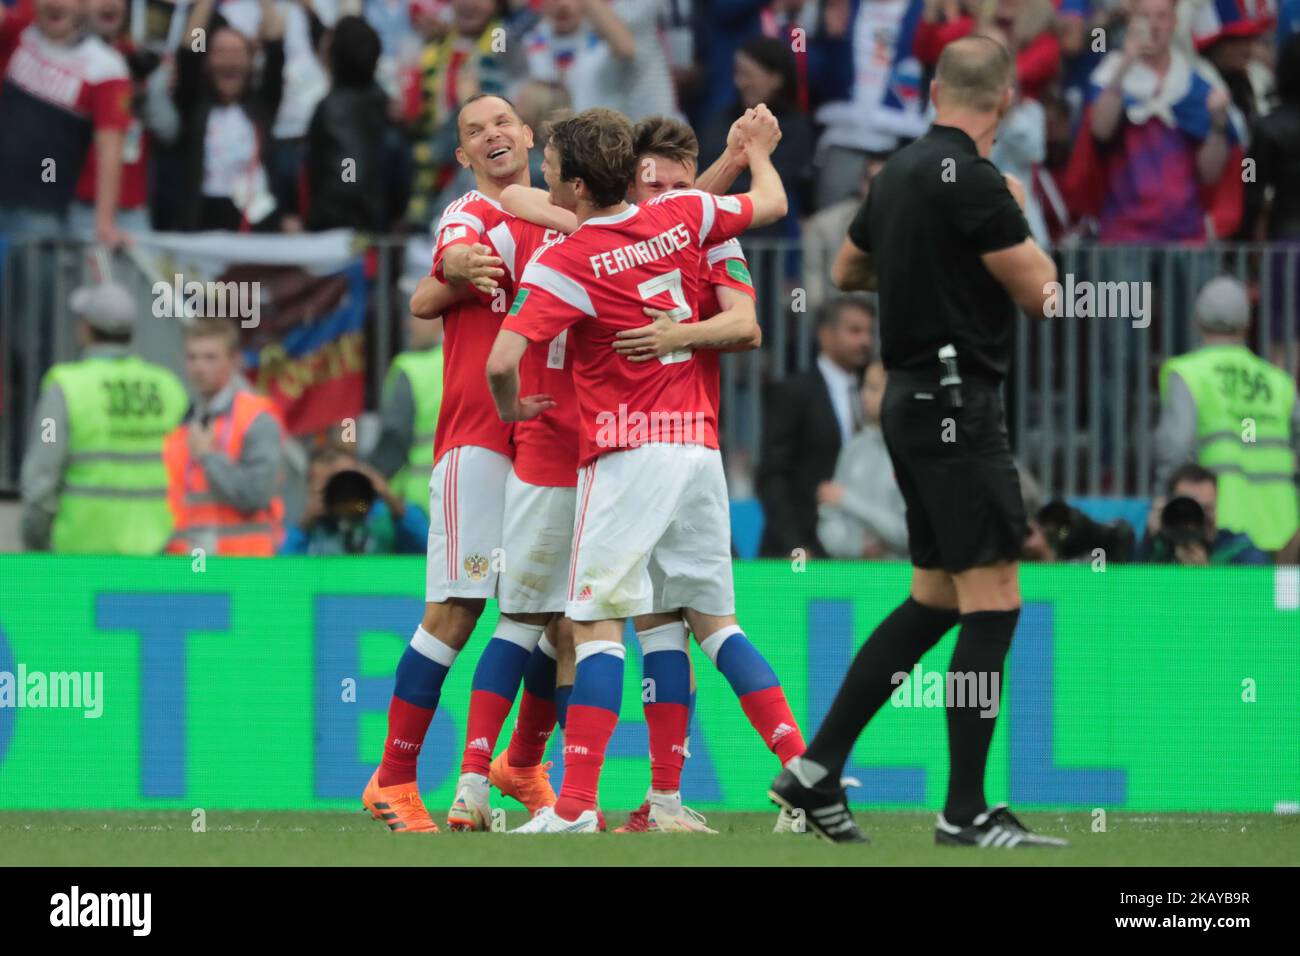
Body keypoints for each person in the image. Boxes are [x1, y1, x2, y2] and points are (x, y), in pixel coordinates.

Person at [770, 36, 1067, 848]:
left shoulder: (896, 173)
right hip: (957, 404)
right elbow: (1047, 296)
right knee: (995, 597)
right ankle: (964, 811)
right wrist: (1009, 211)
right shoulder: (978, 183)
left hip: (905, 401)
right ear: (1004, 98)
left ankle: (815, 768)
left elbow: (849, 270)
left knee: (937, 596)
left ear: (935, 89)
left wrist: (926, 266)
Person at [483, 105, 789, 833]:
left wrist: (514, 408)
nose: (545, 176)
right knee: (714, 624)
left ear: (578, 186)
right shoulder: (686, 212)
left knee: (591, 623)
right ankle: (802, 776)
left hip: (625, 454)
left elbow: (501, 360)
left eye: (553, 166)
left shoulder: (569, 258)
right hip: (698, 449)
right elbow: (772, 204)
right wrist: (759, 153)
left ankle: (576, 805)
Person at [360, 92, 536, 835]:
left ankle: (507, 772)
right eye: (475, 131)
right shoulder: (470, 213)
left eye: (503, 122)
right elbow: (442, 275)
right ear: (463, 157)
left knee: (553, 618)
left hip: (548, 439)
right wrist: (457, 266)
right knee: (459, 609)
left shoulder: (564, 220)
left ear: (530, 136)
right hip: (480, 437)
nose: (493, 135)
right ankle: (394, 779)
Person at [20, 283, 187, 554]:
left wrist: (36, 540)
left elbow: (42, 472)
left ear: (85, 329)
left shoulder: (67, 388)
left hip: (83, 550)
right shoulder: (167, 387)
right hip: (158, 549)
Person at [1154, 275, 1300, 556]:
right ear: (1246, 325)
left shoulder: (1188, 373)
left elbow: (1174, 448)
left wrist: (1166, 502)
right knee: (1277, 601)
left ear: (1196, 322)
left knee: (1224, 601)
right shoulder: (1278, 381)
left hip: (1223, 533)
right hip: (1284, 532)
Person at [0, 0, 130, 246]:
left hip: (40, 215)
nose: (55, 3)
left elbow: (110, 149)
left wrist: (105, 223)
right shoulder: (20, 32)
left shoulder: (106, 66)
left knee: (31, 284)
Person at [755, 295, 875, 559]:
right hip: (804, 549)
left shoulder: (876, 390)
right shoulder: (793, 393)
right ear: (825, 334)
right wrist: (794, 544)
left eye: (869, 332)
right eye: (854, 331)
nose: (865, 341)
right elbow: (772, 475)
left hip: (864, 551)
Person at [164, 318, 286, 556]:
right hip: (191, 565)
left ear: (234, 361)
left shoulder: (256, 419)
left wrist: (209, 457)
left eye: (210, 357)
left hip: (243, 565)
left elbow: (255, 495)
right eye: (192, 357)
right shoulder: (182, 423)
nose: (199, 367)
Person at [171, 0, 286, 232]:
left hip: (255, 223)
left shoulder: (262, 105)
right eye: (220, 53)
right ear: (208, 62)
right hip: (202, 218)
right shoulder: (195, 104)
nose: (229, 61)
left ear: (251, 61)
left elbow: (275, 47)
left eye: (237, 53)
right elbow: (190, 52)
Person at [304, 15, 408, 232]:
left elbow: (350, 173)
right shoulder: (386, 104)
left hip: (345, 233)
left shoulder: (334, 111)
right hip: (377, 228)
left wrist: (343, 216)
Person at [514, 0, 678, 121]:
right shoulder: (528, 41)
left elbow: (626, 48)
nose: (563, 4)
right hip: (553, 147)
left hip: (606, 143)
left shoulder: (603, 38)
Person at [816, 360, 908, 560]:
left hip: (902, 575)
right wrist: (857, 548)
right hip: (852, 576)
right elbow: (828, 517)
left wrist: (847, 500)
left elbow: (910, 532)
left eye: (874, 389)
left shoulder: (913, 453)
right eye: (864, 387)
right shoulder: (853, 448)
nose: (864, 396)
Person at [281, 446, 429, 555]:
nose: (342, 494)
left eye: (347, 483)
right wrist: (303, 527)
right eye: (330, 485)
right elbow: (279, 577)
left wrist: (392, 501)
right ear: (310, 488)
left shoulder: (386, 518)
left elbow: (429, 549)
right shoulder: (309, 530)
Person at [367, 313, 445, 518]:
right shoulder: (472, 359)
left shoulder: (411, 369)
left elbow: (394, 439)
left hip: (417, 505)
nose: (407, 323)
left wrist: (368, 479)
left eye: (419, 315)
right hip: (463, 499)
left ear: (440, 318)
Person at [1139, 464, 1270, 566]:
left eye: (1207, 508)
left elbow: (1258, 598)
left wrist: (1206, 578)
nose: (1198, 518)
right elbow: (1129, 594)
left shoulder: (1240, 551)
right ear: (1170, 508)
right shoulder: (1158, 551)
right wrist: (1148, 542)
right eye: (1189, 509)